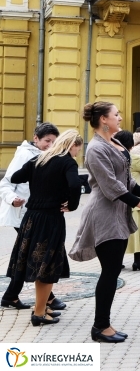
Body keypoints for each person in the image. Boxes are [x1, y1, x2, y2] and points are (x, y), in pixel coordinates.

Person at [70, 101, 140, 343]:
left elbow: (126, 179)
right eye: (116, 115)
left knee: (112, 269)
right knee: (110, 272)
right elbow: (111, 186)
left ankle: (105, 324)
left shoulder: (116, 143)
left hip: (119, 212)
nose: (120, 118)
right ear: (103, 120)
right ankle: (100, 327)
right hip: (103, 214)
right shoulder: (96, 149)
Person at [2, 130, 83, 325]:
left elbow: (15, 177)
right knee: (47, 266)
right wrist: (72, 204)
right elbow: (75, 185)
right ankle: (38, 313)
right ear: (72, 145)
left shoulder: (39, 159)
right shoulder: (67, 162)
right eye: (78, 150)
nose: (77, 154)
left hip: (31, 218)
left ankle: (43, 308)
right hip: (51, 218)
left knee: (37, 264)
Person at [0, 122, 64, 311]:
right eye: (47, 141)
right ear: (35, 138)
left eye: (54, 141)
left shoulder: (48, 155)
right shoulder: (25, 155)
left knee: (26, 255)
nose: (51, 145)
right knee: (40, 254)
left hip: (40, 215)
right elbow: (6, 182)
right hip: (26, 216)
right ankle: (47, 300)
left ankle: (11, 296)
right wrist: (13, 199)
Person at [114, 131, 140, 271]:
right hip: (134, 201)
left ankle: (117, 261)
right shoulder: (133, 158)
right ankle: (137, 261)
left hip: (117, 201)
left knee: (119, 233)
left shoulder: (111, 158)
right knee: (137, 233)